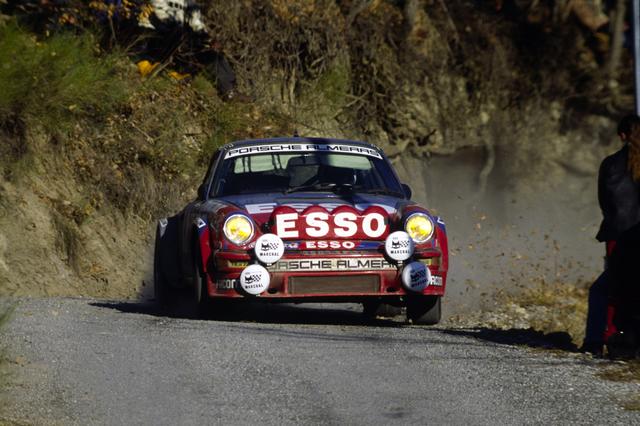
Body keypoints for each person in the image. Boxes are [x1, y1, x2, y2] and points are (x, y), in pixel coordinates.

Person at [582, 114, 640, 356]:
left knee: (607, 289)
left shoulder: (611, 164)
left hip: (619, 237)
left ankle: (596, 342)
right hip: (634, 234)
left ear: (622, 136)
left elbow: (606, 202)